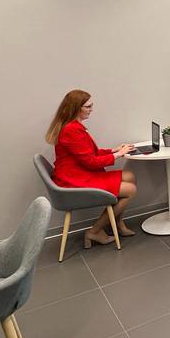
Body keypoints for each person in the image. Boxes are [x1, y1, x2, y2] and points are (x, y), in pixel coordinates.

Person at [45, 89, 138, 247]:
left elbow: (88, 153)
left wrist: (113, 150)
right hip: (74, 180)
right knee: (131, 190)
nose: (91, 109)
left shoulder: (73, 126)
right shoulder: (71, 130)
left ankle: (116, 223)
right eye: (88, 106)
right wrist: (119, 154)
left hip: (77, 173)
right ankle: (94, 231)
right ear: (76, 108)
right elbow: (91, 162)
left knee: (129, 175)